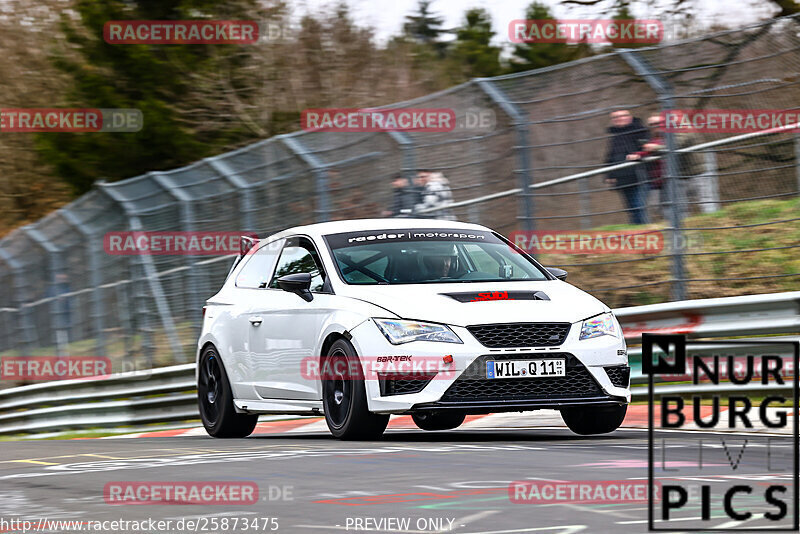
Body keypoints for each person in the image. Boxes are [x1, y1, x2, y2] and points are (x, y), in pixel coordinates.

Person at [603, 110, 649, 225]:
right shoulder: (614, 137)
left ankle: (643, 228)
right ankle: (636, 229)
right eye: (615, 117)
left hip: (640, 175)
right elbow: (610, 157)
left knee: (638, 205)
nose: (619, 119)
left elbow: (647, 148)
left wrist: (638, 155)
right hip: (622, 178)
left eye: (622, 116)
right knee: (631, 208)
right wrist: (609, 175)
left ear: (629, 117)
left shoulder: (641, 131)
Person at [627, 114, 668, 222]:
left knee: (671, 206)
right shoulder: (650, 140)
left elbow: (670, 147)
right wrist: (637, 155)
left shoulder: (670, 136)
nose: (655, 126)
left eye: (658, 123)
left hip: (671, 178)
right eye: (652, 124)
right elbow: (646, 150)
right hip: (655, 181)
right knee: (654, 207)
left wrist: (654, 148)